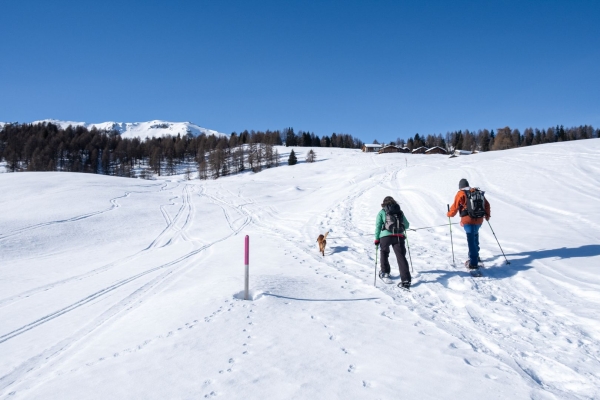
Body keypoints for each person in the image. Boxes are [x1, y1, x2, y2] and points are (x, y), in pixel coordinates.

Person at [447, 178, 491, 269]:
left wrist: (449, 214)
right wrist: (487, 216)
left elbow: (455, 207)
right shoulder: (476, 192)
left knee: (471, 241)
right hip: (479, 220)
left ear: (460, 187)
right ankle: (476, 256)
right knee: (475, 236)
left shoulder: (460, 193)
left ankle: (473, 263)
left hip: (468, 220)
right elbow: (487, 205)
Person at [374, 196, 411, 288]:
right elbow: (406, 225)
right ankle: (406, 280)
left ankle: (385, 272)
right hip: (399, 236)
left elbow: (378, 226)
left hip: (385, 237)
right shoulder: (399, 211)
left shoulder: (382, 212)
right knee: (401, 257)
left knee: (384, 253)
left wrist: (377, 238)